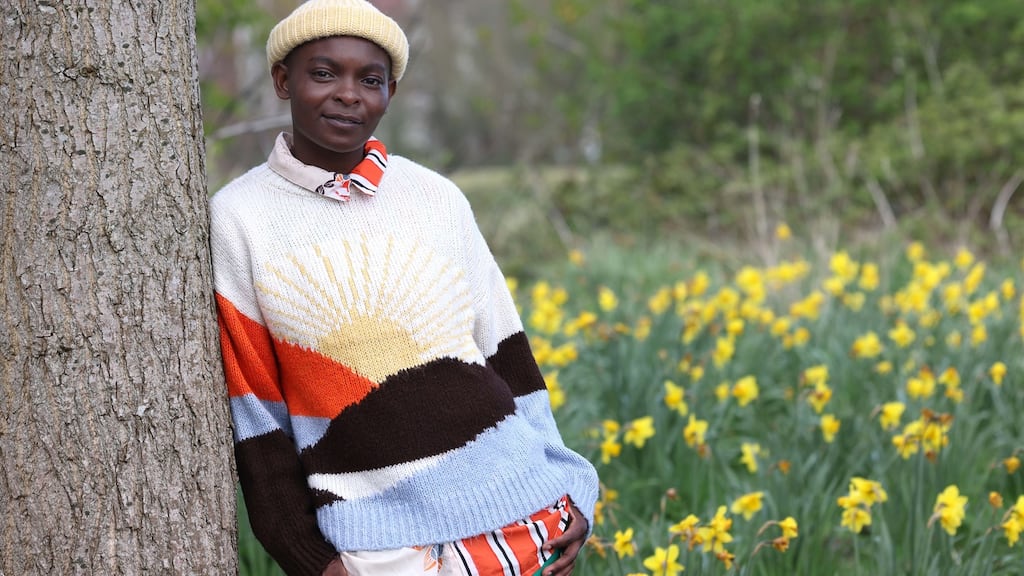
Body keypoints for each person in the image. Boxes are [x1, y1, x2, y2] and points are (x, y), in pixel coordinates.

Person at [208, 1, 600, 575]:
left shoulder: (436, 196)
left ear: (390, 93)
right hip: (378, 548)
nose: (349, 94)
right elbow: (255, 413)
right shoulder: (239, 218)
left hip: (524, 518)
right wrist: (310, 560)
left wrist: (569, 485)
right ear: (282, 80)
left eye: (371, 80)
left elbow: (508, 354)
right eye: (324, 73)